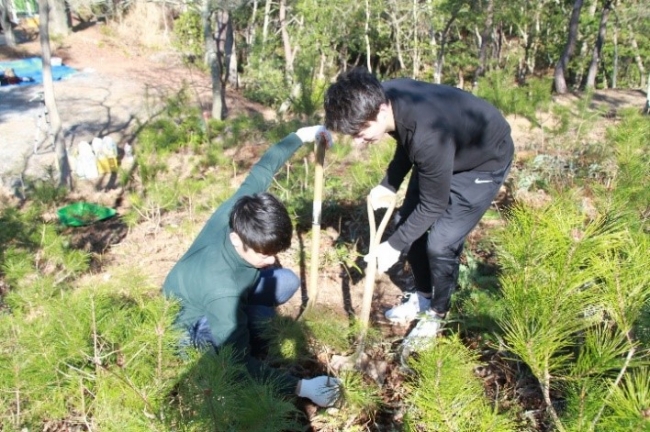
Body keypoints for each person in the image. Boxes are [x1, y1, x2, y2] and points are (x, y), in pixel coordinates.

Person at [324, 68, 514, 353]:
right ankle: (423, 296)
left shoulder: (427, 134)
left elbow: (433, 203)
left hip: (483, 160)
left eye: (361, 132)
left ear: (381, 109)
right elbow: (405, 140)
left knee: (440, 243)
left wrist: (393, 247)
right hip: (446, 149)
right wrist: (389, 184)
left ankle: (436, 314)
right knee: (404, 224)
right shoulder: (383, 95)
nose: (358, 142)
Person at [163, 126, 340, 407]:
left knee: (286, 281)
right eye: (263, 254)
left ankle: (251, 321)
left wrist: (299, 136)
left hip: (220, 289)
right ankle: (234, 339)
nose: (270, 260)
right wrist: (302, 387)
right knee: (231, 353)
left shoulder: (239, 211)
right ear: (237, 239)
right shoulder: (223, 290)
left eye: (275, 252)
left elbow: (262, 171)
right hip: (188, 324)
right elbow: (239, 364)